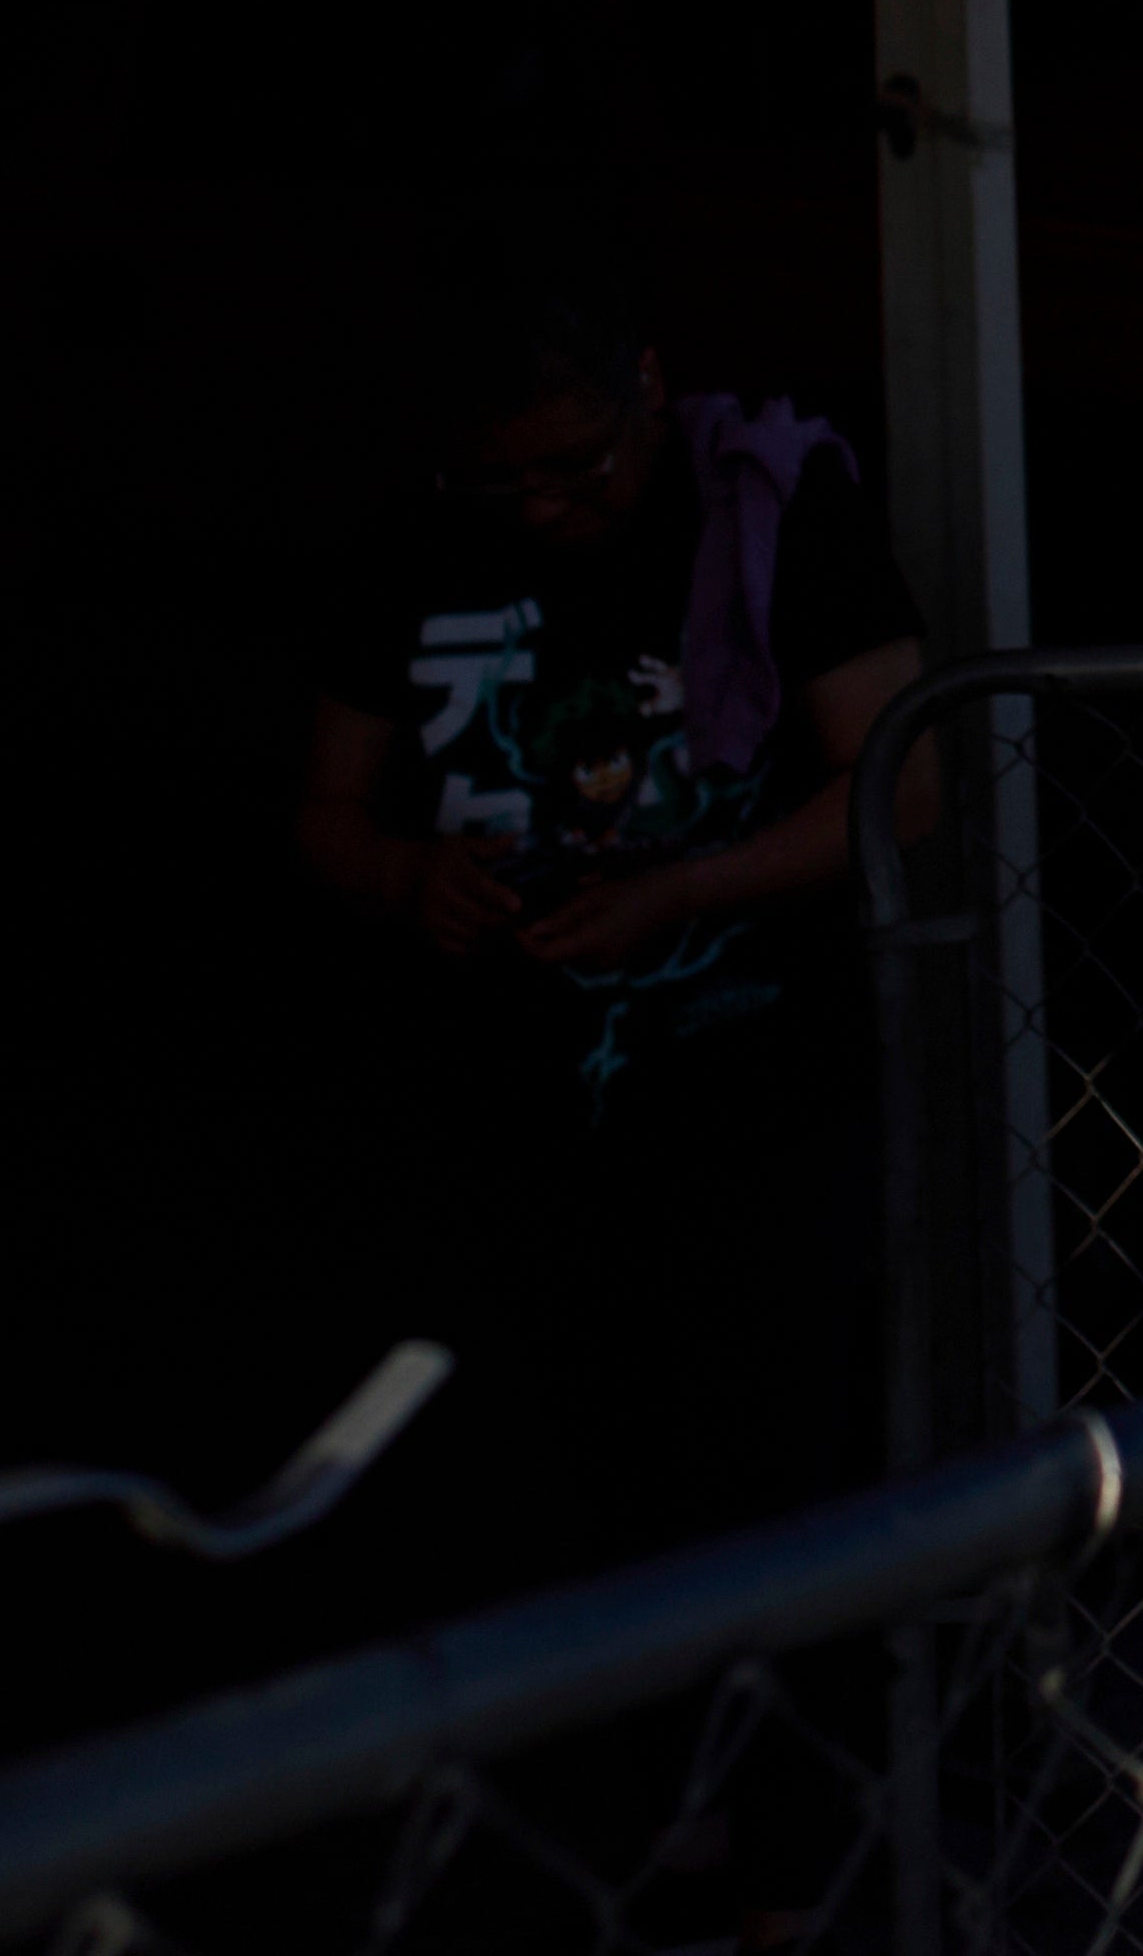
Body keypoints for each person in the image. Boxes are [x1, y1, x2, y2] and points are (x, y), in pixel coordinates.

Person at [294, 255, 938, 1573]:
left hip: (753, 1104)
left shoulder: (768, 503)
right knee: (525, 1515)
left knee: (756, 1513)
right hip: (497, 1131)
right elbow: (327, 814)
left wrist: (681, 890)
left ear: (646, 386)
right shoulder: (410, 543)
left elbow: (907, 784)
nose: (545, 507)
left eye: (579, 466)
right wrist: (414, 879)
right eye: (504, 481)